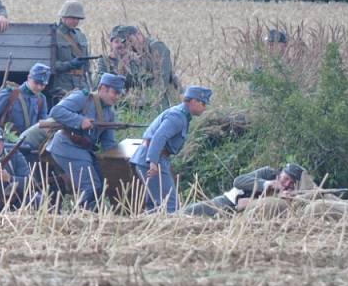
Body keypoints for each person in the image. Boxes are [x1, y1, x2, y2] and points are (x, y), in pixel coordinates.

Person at [44, 73, 125, 211]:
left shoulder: (109, 114)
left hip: (84, 150)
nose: (117, 97)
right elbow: (56, 111)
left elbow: (108, 144)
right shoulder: (83, 98)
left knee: (101, 183)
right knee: (90, 186)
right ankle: (79, 218)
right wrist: (80, 121)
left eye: (119, 93)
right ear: (102, 88)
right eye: (114, 92)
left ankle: (92, 215)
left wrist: (122, 158)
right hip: (66, 145)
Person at [130, 85, 212, 213]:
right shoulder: (178, 117)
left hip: (150, 158)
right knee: (170, 205)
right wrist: (153, 162)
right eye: (203, 103)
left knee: (155, 205)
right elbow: (159, 137)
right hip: (153, 159)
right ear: (194, 101)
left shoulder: (180, 114)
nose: (205, 107)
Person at [182, 163, 304, 217]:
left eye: (291, 182)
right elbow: (239, 181)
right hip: (225, 203)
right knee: (187, 213)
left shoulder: (289, 193)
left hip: (239, 217)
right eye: (286, 178)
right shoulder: (267, 173)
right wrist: (267, 184)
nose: (287, 183)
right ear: (280, 173)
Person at [0, 62, 50, 135]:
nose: (39, 87)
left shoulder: (41, 99)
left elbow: (43, 124)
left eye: (43, 84)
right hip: (7, 142)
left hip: (29, 143)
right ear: (29, 77)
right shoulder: (11, 93)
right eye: (36, 83)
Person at [123, 25, 180, 108]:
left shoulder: (156, 47)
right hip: (150, 99)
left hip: (166, 98)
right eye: (127, 44)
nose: (131, 46)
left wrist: (147, 100)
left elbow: (162, 78)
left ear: (139, 35)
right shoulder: (137, 55)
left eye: (131, 41)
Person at [51, 0, 91, 101]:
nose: (76, 21)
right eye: (73, 18)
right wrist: (70, 64)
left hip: (82, 85)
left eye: (78, 18)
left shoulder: (81, 36)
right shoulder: (53, 35)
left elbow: (87, 67)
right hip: (62, 86)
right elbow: (50, 65)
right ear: (63, 17)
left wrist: (89, 85)